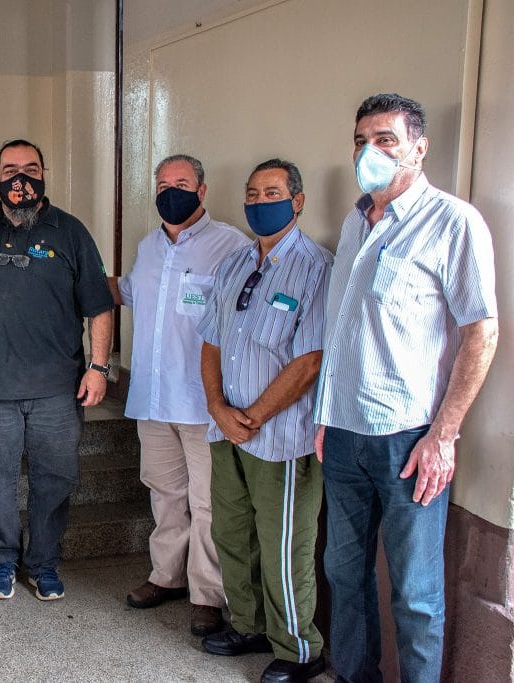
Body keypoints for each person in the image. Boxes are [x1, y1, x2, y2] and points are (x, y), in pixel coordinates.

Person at [314, 93, 498, 683]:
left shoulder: (452, 222)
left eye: (385, 140)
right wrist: (325, 415)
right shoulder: (355, 222)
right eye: (361, 140)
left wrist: (443, 436)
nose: (368, 151)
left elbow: (481, 332)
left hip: (409, 441)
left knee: (416, 595)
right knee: (344, 576)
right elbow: (345, 331)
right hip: (343, 435)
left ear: (419, 149)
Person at [0, 139, 114, 601]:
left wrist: (98, 367)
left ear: (44, 173)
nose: (20, 178)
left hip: (57, 389)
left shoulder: (70, 232)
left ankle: (44, 562)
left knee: (55, 480)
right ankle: (1, 560)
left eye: (30, 168)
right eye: (10, 169)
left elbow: (99, 305)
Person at [197, 159, 330, 683]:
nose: (258, 202)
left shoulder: (316, 267)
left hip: (280, 438)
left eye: (271, 193)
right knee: (231, 533)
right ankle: (247, 625)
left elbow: (310, 361)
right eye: (251, 193)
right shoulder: (235, 263)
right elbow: (211, 341)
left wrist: (250, 418)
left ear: (298, 201)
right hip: (226, 431)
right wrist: (217, 408)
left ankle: (299, 649)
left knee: (282, 547)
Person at [111, 154, 248, 636]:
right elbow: (128, 291)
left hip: (202, 402)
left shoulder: (232, 245)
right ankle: (165, 576)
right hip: (152, 398)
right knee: (165, 494)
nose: (172, 192)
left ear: (202, 191)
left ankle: (207, 595)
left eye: (182, 184)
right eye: (164, 184)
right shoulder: (148, 246)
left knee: (208, 502)